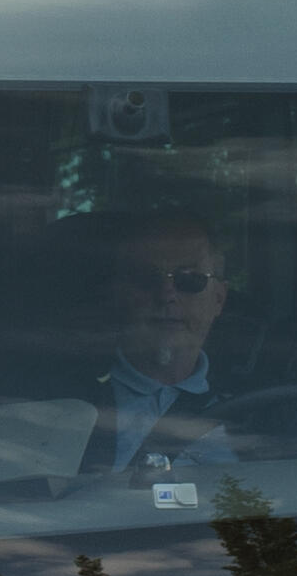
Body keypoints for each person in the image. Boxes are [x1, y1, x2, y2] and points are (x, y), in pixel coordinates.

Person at [59, 201, 245, 484]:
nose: (166, 294)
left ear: (219, 298)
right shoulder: (66, 403)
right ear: (117, 293)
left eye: (189, 279)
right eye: (146, 278)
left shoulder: (259, 406)